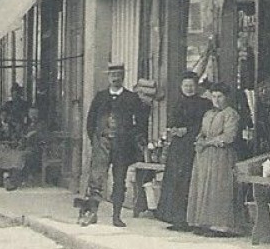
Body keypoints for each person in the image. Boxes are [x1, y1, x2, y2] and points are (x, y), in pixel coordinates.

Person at [79, 64, 150, 227]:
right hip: (102, 143)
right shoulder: (100, 97)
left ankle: (116, 216)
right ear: (108, 77)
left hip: (122, 145)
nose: (115, 78)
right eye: (112, 75)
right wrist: (96, 139)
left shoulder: (132, 98)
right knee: (96, 179)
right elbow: (91, 121)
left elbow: (141, 123)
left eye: (118, 74)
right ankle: (92, 213)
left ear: (123, 76)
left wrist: (134, 138)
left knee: (119, 180)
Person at [157, 72, 212, 230]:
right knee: (174, 180)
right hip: (177, 147)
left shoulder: (203, 104)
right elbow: (172, 120)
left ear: (197, 87)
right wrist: (174, 129)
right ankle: (174, 218)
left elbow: (203, 125)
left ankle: (188, 219)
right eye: (186, 86)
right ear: (181, 87)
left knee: (187, 180)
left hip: (192, 146)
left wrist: (187, 130)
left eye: (192, 85)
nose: (189, 88)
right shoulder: (178, 102)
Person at [186, 82, 241, 233]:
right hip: (205, 156)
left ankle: (220, 225)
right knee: (204, 186)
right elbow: (203, 132)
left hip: (221, 156)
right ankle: (204, 222)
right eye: (214, 96)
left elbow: (229, 136)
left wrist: (207, 143)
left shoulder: (230, 114)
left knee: (218, 187)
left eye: (220, 96)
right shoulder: (208, 114)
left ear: (226, 97)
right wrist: (199, 140)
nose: (216, 100)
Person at [0, 114, 30, 191]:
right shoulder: (4, 127)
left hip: (23, 149)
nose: (16, 125)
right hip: (11, 148)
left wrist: (21, 142)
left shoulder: (24, 128)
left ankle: (12, 181)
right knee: (0, 154)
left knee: (17, 158)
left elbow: (23, 140)